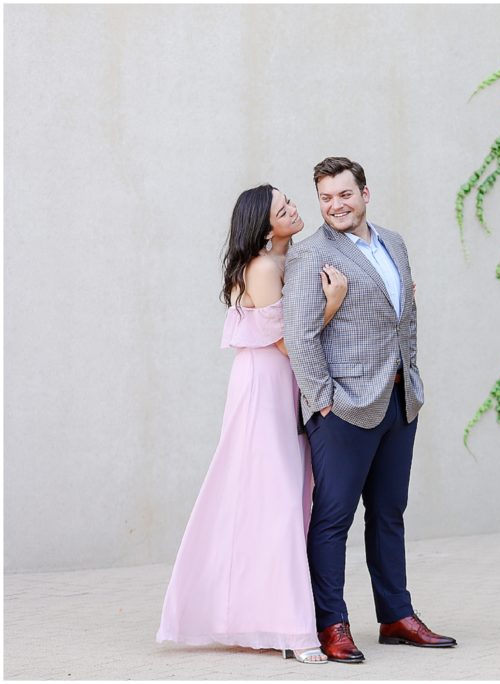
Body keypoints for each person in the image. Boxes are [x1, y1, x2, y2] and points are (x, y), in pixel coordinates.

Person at [157, 184, 347, 665]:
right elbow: (286, 343)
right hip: (264, 385)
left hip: (285, 385)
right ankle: (294, 630)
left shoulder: (291, 262)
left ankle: (264, 615)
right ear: (265, 227)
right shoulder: (263, 268)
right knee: (278, 501)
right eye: (282, 209)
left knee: (282, 500)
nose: (293, 209)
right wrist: (334, 302)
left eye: (289, 201)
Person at [283, 157, 455, 664]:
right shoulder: (310, 254)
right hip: (344, 409)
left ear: (365, 194)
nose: (335, 205)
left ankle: (396, 616)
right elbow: (299, 335)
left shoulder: (394, 243)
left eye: (344, 195)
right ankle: (332, 623)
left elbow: (403, 316)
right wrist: (324, 402)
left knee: (388, 513)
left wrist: (412, 378)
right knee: (332, 519)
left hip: (400, 401)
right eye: (326, 197)